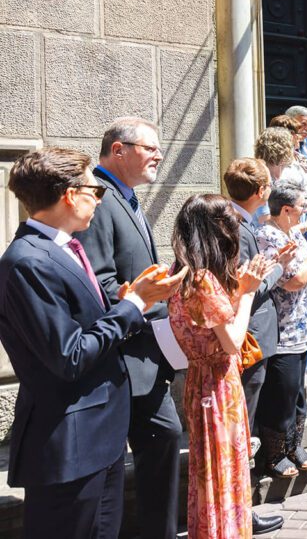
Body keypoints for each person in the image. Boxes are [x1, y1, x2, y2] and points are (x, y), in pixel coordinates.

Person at [0, 147, 183, 539]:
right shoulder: (29, 262)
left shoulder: (64, 247)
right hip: (70, 442)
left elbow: (86, 324)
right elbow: (69, 355)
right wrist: (133, 306)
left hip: (100, 434)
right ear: (70, 195)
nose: (99, 200)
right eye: (94, 190)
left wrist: (130, 299)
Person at [73, 117, 184, 538]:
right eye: (150, 148)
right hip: (121, 356)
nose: (159, 155)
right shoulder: (99, 199)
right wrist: (144, 297)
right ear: (118, 150)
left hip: (144, 355)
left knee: (164, 438)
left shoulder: (127, 196)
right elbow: (97, 282)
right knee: (155, 440)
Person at [167, 194, 277, 539]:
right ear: (216, 230)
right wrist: (248, 292)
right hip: (217, 385)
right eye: (231, 225)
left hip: (201, 380)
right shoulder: (202, 280)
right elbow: (231, 340)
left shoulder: (180, 273)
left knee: (210, 473)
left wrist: (238, 289)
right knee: (224, 472)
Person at [222, 159, 293, 535]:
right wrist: (278, 269)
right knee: (243, 429)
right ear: (262, 191)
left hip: (250, 335)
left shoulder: (236, 221)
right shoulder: (237, 226)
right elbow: (246, 287)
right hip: (249, 336)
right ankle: (242, 511)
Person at [256, 183, 307, 479]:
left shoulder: (292, 232)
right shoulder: (268, 237)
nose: (306, 212)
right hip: (283, 330)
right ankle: (273, 454)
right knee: (282, 393)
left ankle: (294, 446)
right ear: (287, 209)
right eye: (302, 206)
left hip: (303, 326)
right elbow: (294, 281)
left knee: (298, 393)